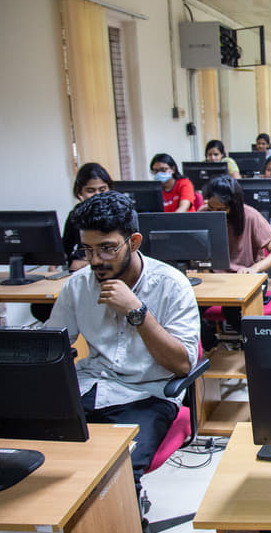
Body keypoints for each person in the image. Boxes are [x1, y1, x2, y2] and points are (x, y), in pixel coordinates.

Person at [46, 191, 200, 496]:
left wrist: (137, 312)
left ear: (134, 242)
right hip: (88, 388)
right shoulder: (78, 285)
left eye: (107, 249)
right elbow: (52, 345)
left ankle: (122, 530)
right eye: (87, 250)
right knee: (45, 455)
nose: (95, 261)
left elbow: (183, 364)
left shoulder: (171, 286)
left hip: (146, 395)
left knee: (117, 474)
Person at [199, 175, 271, 350]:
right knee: (187, 308)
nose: (215, 213)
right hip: (216, 278)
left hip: (248, 277)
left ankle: (257, 350)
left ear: (233, 205)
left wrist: (254, 269)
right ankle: (213, 346)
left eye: (221, 209)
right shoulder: (203, 214)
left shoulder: (251, 216)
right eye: (211, 207)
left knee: (232, 311)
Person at [31, 163, 113, 323]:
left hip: (105, 274)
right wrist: (54, 265)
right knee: (40, 307)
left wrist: (85, 263)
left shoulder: (117, 217)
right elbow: (65, 248)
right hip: (78, 275)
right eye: (91, 191)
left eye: (102, 189)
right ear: (79, 192)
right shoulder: (75, 215)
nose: (97, 195)